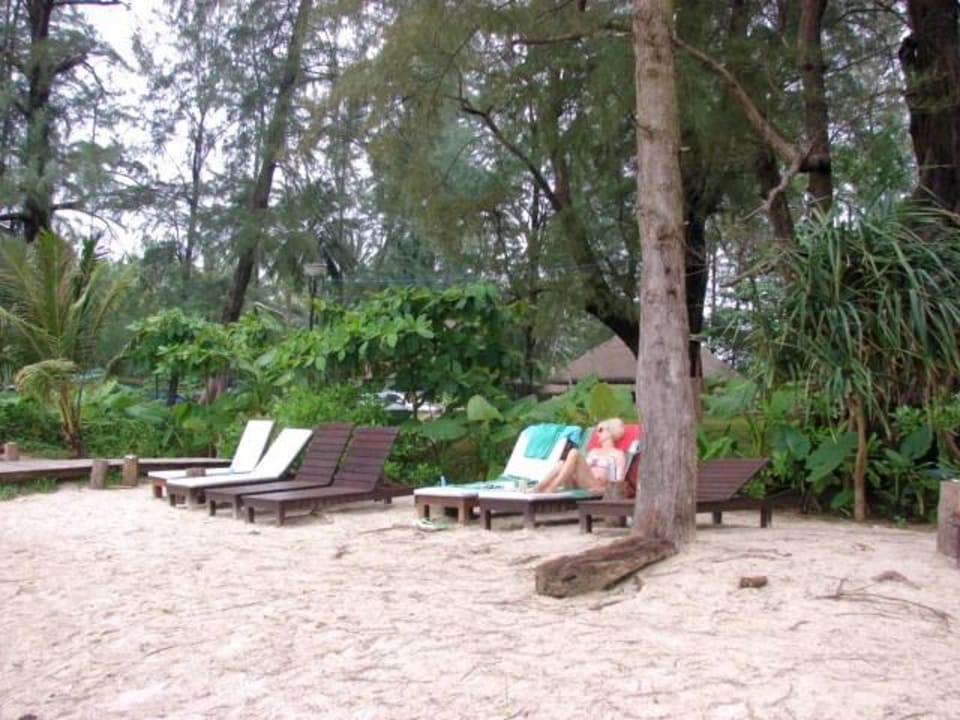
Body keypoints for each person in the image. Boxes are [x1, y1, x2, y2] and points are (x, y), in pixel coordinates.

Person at [534, 418, 627, 493]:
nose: (597, 434)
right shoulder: (593, 452)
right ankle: (538, 488)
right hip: (579, 482)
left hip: (598, 486)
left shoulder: (618, 454)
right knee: (561, 464)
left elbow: (619, 482)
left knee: (574, 452)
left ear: (610, 432)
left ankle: (552, 487)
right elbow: (582, 469)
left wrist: (605, 489)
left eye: (600, 430)